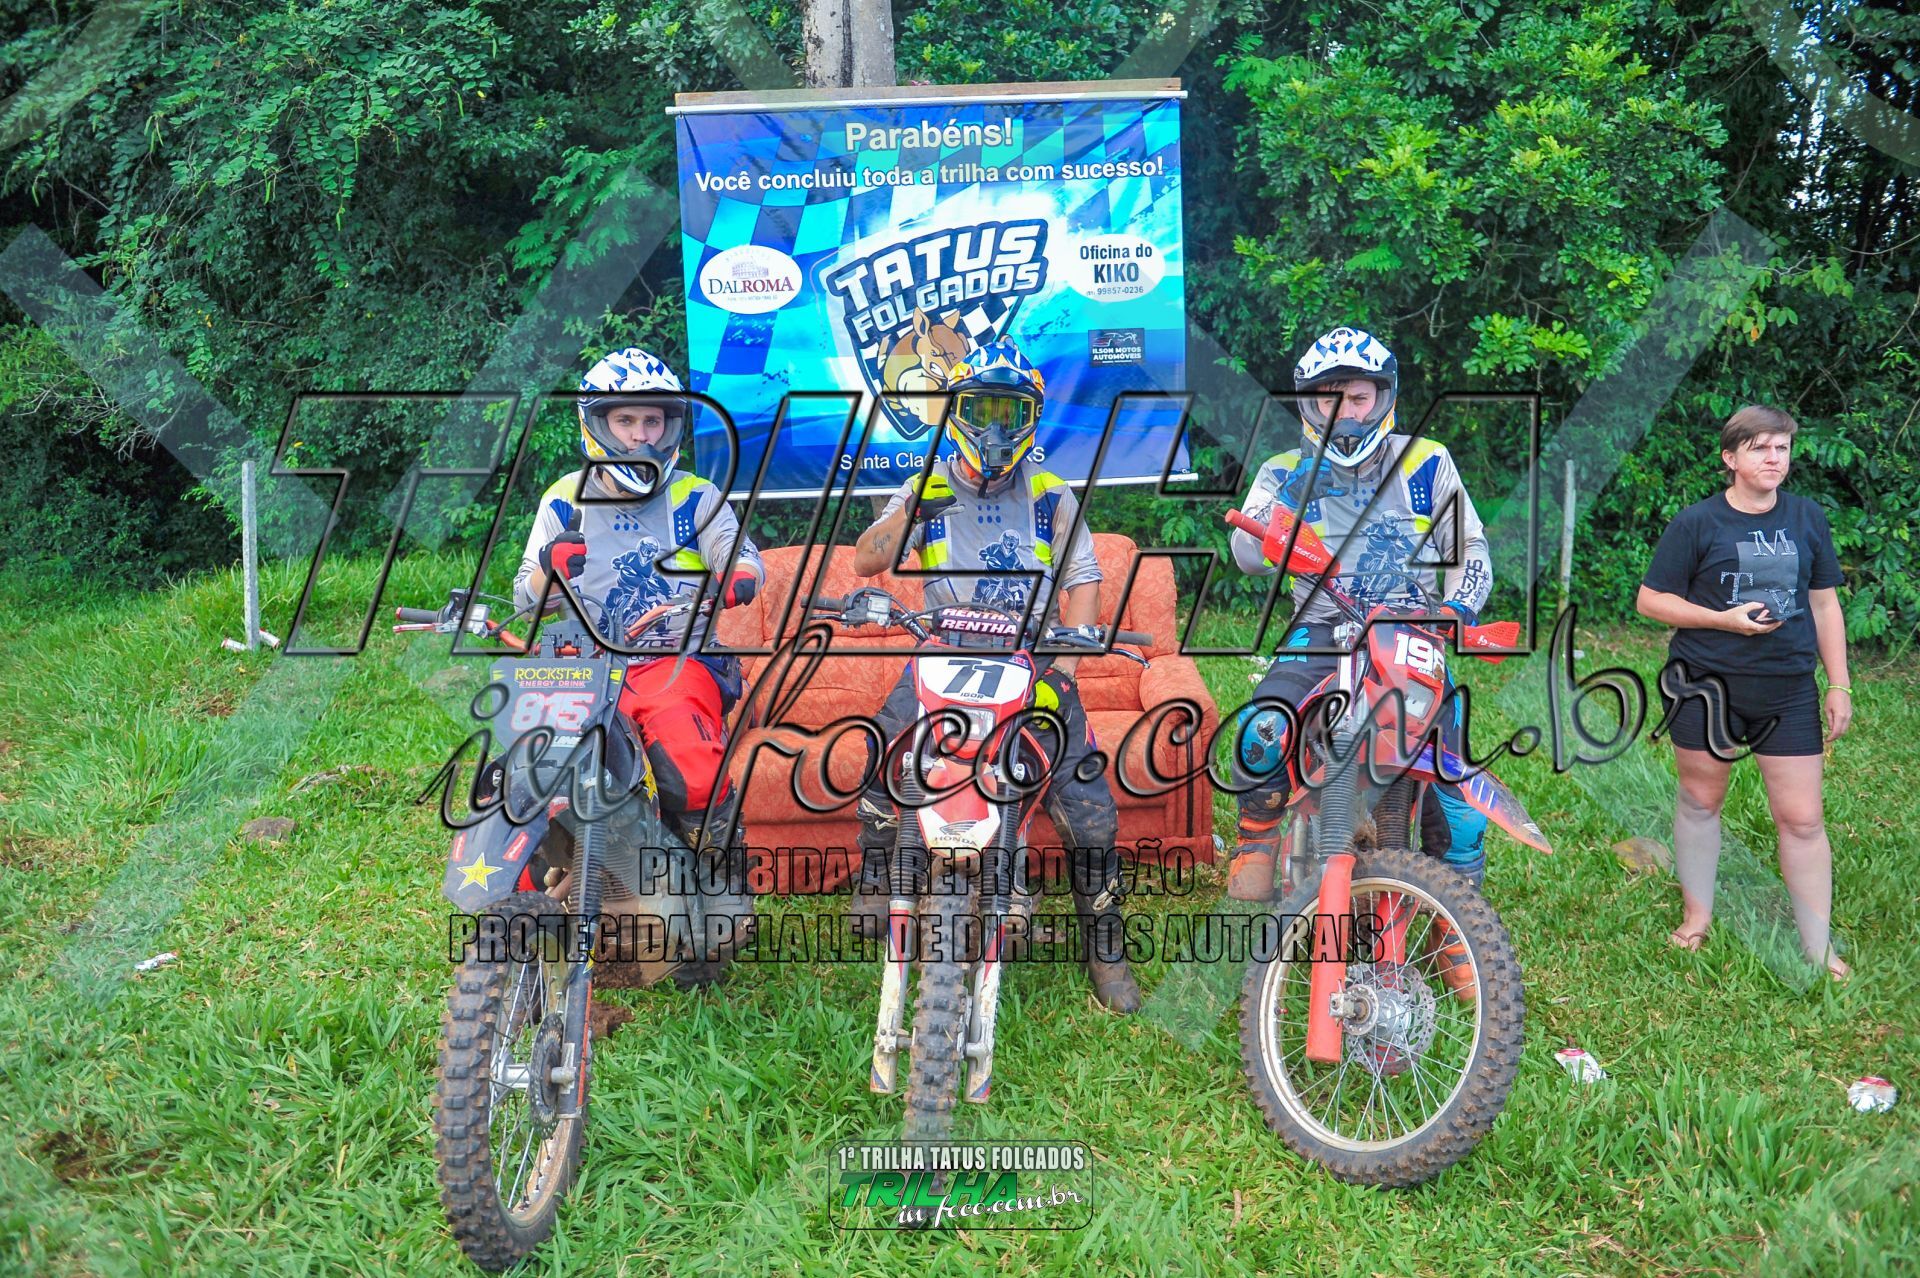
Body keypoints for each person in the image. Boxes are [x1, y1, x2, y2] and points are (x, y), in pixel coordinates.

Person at [845, 336, 1142, 1013]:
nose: (995, 428)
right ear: (956, 410)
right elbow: (866, 561)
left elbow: (1083, 581)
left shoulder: (1051, 495)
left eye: (1011, 413)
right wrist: (909, 510)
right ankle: (878, 874)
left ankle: (1105, 946)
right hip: (942, 652)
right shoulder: (924, 484)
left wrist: (1066, 671)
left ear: (1030, 419)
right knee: (880, 751)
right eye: (982, 409)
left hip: (1030, 661)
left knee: (1089, 808)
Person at [1226, 327, 1494, 990]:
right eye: (1328, 398)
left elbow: (1472, 551)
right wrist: (1281, 511)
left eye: (1357, 397)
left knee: (1459, 790)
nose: (1343, 411)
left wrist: (1455, 609)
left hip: (1412, 632)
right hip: (1322, 630)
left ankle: (1456, 921)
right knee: (1262, 727)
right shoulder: (1283, 470)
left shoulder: (1427, 462)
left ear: (1383, 398)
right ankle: (1257, 830)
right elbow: (1246, 553)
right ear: (1307, 404)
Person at [513, 346, 765, 858]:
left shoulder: (696, 496)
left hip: (675, 660)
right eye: (625, 420)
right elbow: (524, 598)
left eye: (653, 420)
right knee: (531, 778)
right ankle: (538, 872)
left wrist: (737, 576)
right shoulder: (563, 500)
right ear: (596, 425)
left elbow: (740, 553)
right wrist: (548, 568)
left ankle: (718, 868)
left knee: (691, 770)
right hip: (580, 667)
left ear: (670, 426)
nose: (640, 435)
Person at [1636, 405, 1852, 979]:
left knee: (1802, 819)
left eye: (1782, 448)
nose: (1774, 459)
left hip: (1788, 689)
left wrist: (1839, 683)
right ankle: (1697, 917)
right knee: (1701, 802)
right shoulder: (1697, 523)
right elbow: (1651, 600)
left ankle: (1818, 946)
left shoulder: (1806, 517)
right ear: (1730, 458)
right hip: (1704, 685)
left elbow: (1824, 604)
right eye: (1760, 448)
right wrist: (1723, 620)